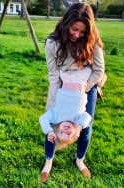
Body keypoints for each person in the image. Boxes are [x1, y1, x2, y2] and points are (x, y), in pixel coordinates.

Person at [41, 3, 105, 182]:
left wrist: (80, 90)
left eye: (82, 32)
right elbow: (53, 76)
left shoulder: (93, 41)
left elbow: (98, 70)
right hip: (62, 87)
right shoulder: (52, 43)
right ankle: (48, 161)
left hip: (87, 86)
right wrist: (54, 100)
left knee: (85, 126)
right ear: (66, 23)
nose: (77, 35)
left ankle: (80, 160)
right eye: (74, 29)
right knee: (53, 121)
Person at [39, 67, 92, 182]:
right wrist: (78, 128)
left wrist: (49, 131)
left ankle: (50, 162)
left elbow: (42, 118)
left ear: (57, 129)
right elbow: (87, 117)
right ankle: (78, 160)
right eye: (68, 134)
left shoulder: (56, 116)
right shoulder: (77, 120)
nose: (66, 130)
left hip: (66, 75)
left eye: (61, 132)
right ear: (73, 133)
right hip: (83, 78)